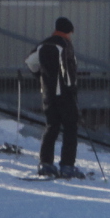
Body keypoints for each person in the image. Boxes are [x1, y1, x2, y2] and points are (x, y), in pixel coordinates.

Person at [35, 17, 81, 179]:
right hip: (64, 94)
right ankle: (67, 165)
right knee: (70, 128)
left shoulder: (43, 44)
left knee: (51, 127)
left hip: (47, 93)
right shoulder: (64, 44)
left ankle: (46, 163)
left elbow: (30, 62)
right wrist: (71, 87)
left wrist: (41, 77)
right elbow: (66, 69)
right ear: (68, 31)